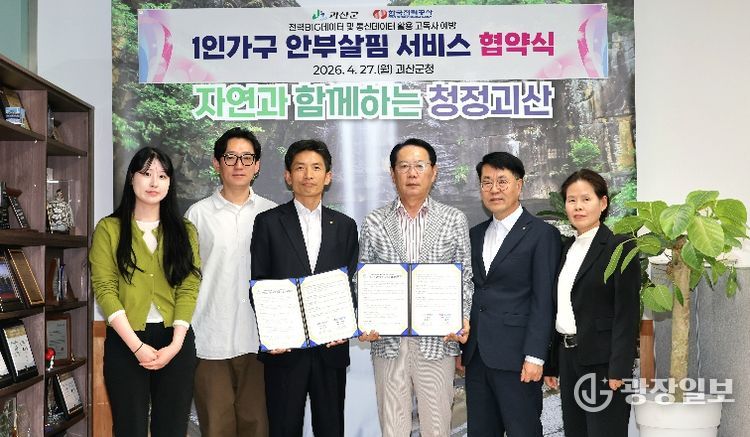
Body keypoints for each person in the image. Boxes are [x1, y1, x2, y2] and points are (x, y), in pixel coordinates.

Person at [358, 138, 473, 437]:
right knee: (393, 427)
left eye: (419, 166)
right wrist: (365, 320)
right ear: (392, 173)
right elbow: (363, 278)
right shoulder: (374, 222)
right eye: (404, 166)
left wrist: (463, 317)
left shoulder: (453, 219)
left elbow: (465, 277)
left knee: (437, 427)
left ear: (433, 172)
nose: (412, 173)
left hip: (438, 340)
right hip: (388, 341)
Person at [90, 147, 201, 437]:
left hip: (175, 340)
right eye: (146, 173)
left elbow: (189, 286)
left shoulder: (185, 231)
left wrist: (176, 345)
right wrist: (136, 346)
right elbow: (105, 289)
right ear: (131, 178)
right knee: (130, 428)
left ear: (170, 182)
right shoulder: (109, 229)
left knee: (172, 429)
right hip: (126, 341)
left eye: (162, 176)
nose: (154, 182)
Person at [250, 139, 358, 437]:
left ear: (328, 176)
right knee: (283, 428)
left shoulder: (345, 225)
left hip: (331, 348)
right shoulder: (268, 223)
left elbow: (350, 283)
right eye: (300, 168)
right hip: (284, 350)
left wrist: (345, 324)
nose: (308, 175)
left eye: (316, 168)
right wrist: (273, 332)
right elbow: (259, 282)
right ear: (288, 176)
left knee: (331, 428)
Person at [462, 151, 561, 437]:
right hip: (477, 356)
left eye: (502, 181)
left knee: (523, 431)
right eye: (487, 182)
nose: (494, 189)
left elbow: (544, 300)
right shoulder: (475, 234)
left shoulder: (542, 234)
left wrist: (536, 356)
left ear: (519, 185)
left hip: (518, 357)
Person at [185, 127, 276, 437]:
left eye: (247, 158)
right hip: (210, 338)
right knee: (216, 428)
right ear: (216, 163)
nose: (239, 165)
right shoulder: (198, 215)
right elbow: (185, 278)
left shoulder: (272, 214)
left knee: (258, 427)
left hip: (260, 339)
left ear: (257, 165)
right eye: (231, 157)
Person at [543, 169, 640, 437]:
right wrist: (552, 364)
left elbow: (627, 313)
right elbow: (559, 308)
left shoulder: (620, 247)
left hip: (604, 363)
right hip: (568, 358)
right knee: (575, 431)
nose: (578, 206)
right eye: (571, 200)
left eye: (586, 199)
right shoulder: (565, 248)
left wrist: (619, 368)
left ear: (603, 202)